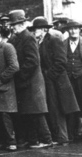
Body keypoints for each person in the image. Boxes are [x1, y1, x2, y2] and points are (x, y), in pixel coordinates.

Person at [8, 9, 53, 148]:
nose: (12, 27)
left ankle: (46, 139)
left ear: (22, 24)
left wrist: (20, 76)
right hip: (25, 81)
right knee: (29, 112)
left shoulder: (28, 37)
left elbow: (32, 61)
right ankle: (33, 140)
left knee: (37, 112)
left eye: (14, 24)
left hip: (32, 81)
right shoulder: (15, 38)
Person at [31, 17, 79, 145]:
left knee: (57, 109)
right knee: (52, 108)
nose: (35, 31)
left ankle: (62, 137)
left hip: (57, 81)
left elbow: (61, 61)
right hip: (49, 80)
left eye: (37, 29)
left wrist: (49, 75)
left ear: (44, 29)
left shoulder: (53, 40)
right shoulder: (39, 42)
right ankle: (57, 137)